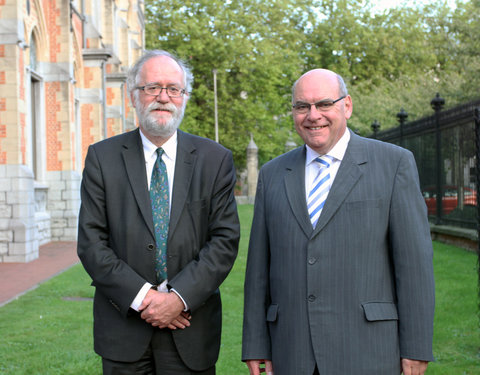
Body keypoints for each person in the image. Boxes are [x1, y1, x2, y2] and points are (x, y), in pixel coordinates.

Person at [242, 69, 435, 375]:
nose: (312, 115)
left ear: (347, 106)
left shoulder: (393, 164)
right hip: (291, 350)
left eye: (323, 104)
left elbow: (414, 266)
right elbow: (258, 270)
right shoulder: (272, 174)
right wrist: (255, 342)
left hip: (369, 350)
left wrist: (416, 346)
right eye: (302, 106)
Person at [77, 50, 240, 374]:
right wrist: (146, 300)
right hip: (123, 332)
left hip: (190, 328)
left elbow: (224, 241)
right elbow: (92, 243)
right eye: (152, 87)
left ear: (185, 97)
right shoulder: (102, 158)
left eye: (173, 89)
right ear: (133, 95)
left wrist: (178, 299)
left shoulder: (215, 160)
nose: (163, 97)